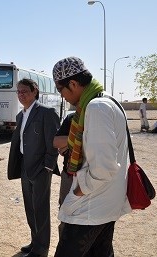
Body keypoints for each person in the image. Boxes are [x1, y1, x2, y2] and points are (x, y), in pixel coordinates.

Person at [52, 57, 131, 257]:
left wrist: (78, 191)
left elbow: (104, 168)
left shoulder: (96, 107)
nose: (61, 96)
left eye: (60, 89)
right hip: (105, 204)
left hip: (90, 207)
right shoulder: (108, 101)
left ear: (73, 84)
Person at [7, 78, 60, 257]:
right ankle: (35, 242)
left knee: (41, 209)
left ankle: (41, 249)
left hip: (41, 170)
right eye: (19, 92)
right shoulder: (20, 115)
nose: (21, 95)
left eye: (25, 91)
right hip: (25, 167)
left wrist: (48, 167)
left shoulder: (46, 112)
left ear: (34, 91)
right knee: (30, 208)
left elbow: (53, 144)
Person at [53, 112, 74, 236]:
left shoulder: (98, 117)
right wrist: (78, 139)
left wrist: (68, 144)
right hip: (69, 176)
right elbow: (56, 142)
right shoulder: (71, 118)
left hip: (91, 176)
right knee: (65, 213)